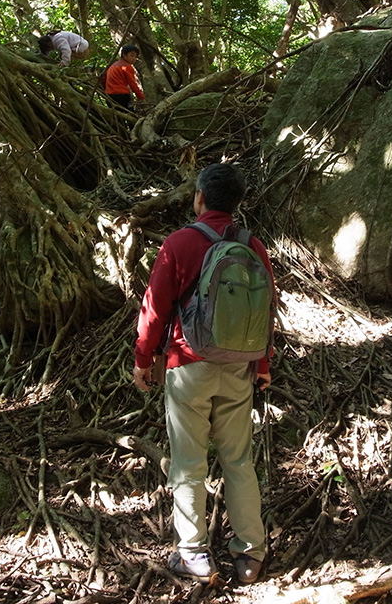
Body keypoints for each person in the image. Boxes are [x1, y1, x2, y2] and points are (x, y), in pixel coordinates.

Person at [133, 163, 273, 584]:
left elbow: (155, 308)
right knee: (238, 460)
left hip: (188, 364)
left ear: (199, 197)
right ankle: (250, 554)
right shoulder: (253, 245)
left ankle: (193, 555)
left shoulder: (179, 243)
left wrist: (143, 358)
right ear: (238, 203)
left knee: (189, 463)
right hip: (238, 367)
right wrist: (261, 365)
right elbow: (266, 309)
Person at [103, 44, 145, 110]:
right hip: (122, 95)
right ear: (124, 55)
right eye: (132, 55)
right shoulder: (127, 67)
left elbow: (103, 79)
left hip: (109, 96)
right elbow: (132, 84)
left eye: (135, 57)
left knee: (117, 117)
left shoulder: (112, 66)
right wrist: (140, 97)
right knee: (131, 114)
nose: (134, 58)